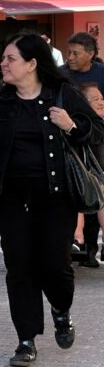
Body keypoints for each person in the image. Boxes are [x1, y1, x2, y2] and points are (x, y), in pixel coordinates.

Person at [0, 32, 104, 367]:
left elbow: (98, 130)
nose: (3, 64)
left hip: (57, 198)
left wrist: (71, 125)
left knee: (55, 265)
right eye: (4, 58)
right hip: (10, 200)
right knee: (20, 267)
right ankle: (26, 339)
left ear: (32, 64)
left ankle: (60, 308)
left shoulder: (63, 95)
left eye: (10, 58)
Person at [63, 31, 104, 266]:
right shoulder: (60, 74)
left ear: (90, 55)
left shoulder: (101, 74)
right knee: (77, 188)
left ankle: (90, 246)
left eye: (75, 53)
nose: (70, 57)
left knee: (97, 189)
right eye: (68, 52)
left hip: (97, 141)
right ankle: (77, 242)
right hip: (70, 140)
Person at [76, 81, 104, 265]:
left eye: (101, 97)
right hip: (83, 176)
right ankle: (78, 241)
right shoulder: (82, 124)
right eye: (95, 99)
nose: (101, 102)